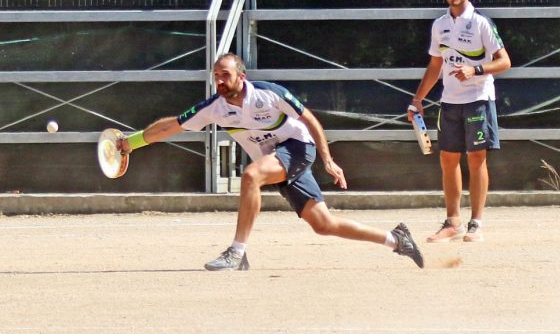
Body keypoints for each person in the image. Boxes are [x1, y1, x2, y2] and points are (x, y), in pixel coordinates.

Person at [119, 52, 424, 270]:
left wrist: (328, 160)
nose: (220, 81)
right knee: (323, 224)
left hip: (298, 148)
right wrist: (131, 143)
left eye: (225, 75)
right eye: (216, 76)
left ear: (241, 76)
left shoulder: (269, 94)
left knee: (251, 176)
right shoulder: (215, 107)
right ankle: (396, 240)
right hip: (275, 159)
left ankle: (237, 252)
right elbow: (170, 126)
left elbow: (310, 120)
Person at [408, 0, 511, 243]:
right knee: (448, 158)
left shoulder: (481, 23)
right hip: (449, 101)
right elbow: (435, 65)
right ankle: (452, 223)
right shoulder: (439, 25)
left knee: (476, 158)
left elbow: (504, 61)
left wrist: (475, 69)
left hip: (478, 99)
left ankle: (476, 223)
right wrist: (417, 100)